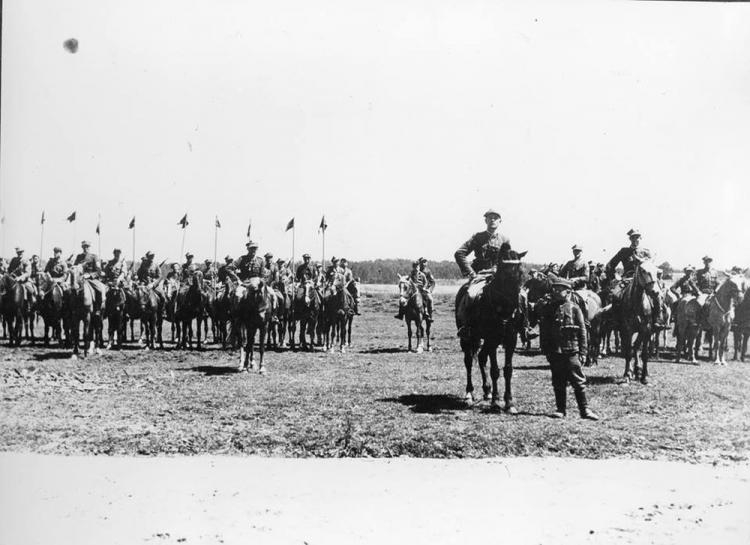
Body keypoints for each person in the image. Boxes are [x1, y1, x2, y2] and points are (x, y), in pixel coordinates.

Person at [538, 277, 599, 420]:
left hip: (572, 350)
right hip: (555, 351)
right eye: (555, 289)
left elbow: (582, 331)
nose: (557, 292)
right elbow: (544, 330)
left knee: (578, 380)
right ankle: (560, 409)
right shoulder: (549, 309)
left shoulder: (575, 308)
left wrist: (583, 352)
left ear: (568, 292)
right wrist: (546, 349)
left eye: (561, 289)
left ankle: (584, 410)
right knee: (558, 380)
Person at [454, 209, 510, 337]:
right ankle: (466, 326)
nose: (492, 220)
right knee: (471, 295)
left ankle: (524, 327)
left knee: (519, 296)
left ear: (500, 221)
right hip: (480, 276)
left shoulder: (505, 240)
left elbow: (508, 258)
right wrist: (471, 273)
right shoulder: (477, 237)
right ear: (485, 220)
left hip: (499, 277)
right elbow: (459, 253)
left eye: (495, 217)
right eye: (490, 217)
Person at [605, 228, 663, 326]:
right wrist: (615, 277)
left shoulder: (646, 252)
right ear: (630, 239)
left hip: (645, 279)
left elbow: (651, 267)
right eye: (633, 238)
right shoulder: (624, 251)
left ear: (640, 238)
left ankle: (657, 319)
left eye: (637, 237)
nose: (635, 240)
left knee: (658, 294)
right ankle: (615, 320)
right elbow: (610, 265)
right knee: (615, 295)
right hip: (628, 279)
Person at [73, 240, 106, 311]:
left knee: (99, 290)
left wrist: (89, 275)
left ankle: (97, 309)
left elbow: (98, 271)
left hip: (91, 279)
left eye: (87, 246)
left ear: (89, 247)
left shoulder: (94, 256)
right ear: (82, 247)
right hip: (80, 279)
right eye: (84, 247)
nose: (85, 248)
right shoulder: (79, 257)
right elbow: (75, 267)